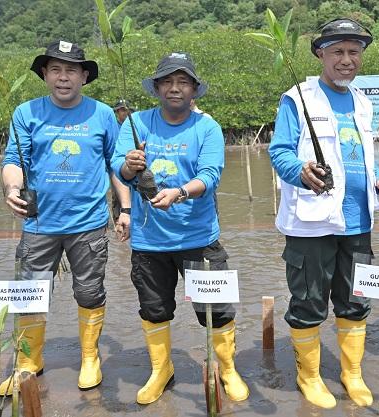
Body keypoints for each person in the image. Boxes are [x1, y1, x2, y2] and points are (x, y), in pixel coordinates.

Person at [269, 18, 379, 409]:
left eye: (354, 52)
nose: (347, 60)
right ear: (320, 54)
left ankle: (351, 373)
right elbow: (279, 153)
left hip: (358, 221)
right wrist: (300, 171)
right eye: (338, 52)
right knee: (308, 301)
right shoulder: (298, 97)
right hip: (312, 222)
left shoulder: (363, 101)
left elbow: (362, 157)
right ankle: (309, 377)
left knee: (355, 299)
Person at [111, 52, 249, 405]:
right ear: (157, 88)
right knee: (154, 309)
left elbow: (210, 174)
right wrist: (129, 165)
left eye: (183, 82)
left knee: (216, 309)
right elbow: (118, 168)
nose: (175, 88)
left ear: (193, 90)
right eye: (168, 82)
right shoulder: (135, 124)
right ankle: (162, 369)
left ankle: (228, 367)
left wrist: (181, 192)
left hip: (199, 239)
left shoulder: (207, 127)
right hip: (148, 241)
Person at [0, 39, 130, 394]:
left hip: (88, 223)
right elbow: (13, 160)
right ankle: (28, 362)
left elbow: (116, 165)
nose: (63, 77)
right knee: (29, 292)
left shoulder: (102, 114)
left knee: (89, 292)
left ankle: (90, 357)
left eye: (71, 70)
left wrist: (126, 210)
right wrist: (12, 190)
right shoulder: (26, 113)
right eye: (55, 69)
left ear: (84, 76)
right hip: (39, 222)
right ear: (44, 74)